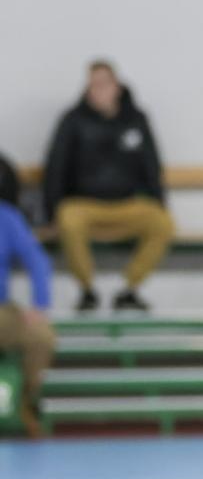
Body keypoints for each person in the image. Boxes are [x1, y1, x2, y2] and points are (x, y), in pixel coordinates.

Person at [43, 60, 174, 312]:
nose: (98, 90)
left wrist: (160, 201)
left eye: (103, 84)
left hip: (127, 204)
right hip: (84, 205)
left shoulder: (136, 119)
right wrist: (51, 212)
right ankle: (87, 290)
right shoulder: (72, 120)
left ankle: (129, 289)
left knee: (162, 222)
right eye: (92, 85)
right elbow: (55, 167)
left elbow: (151, 164)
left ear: (116, 86)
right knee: (68, 219)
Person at [0, 166, 54, 438]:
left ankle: (24, 405)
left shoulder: (7, 217)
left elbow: (38, 260)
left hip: (1, 312)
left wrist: (39, 303)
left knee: (40, 335)